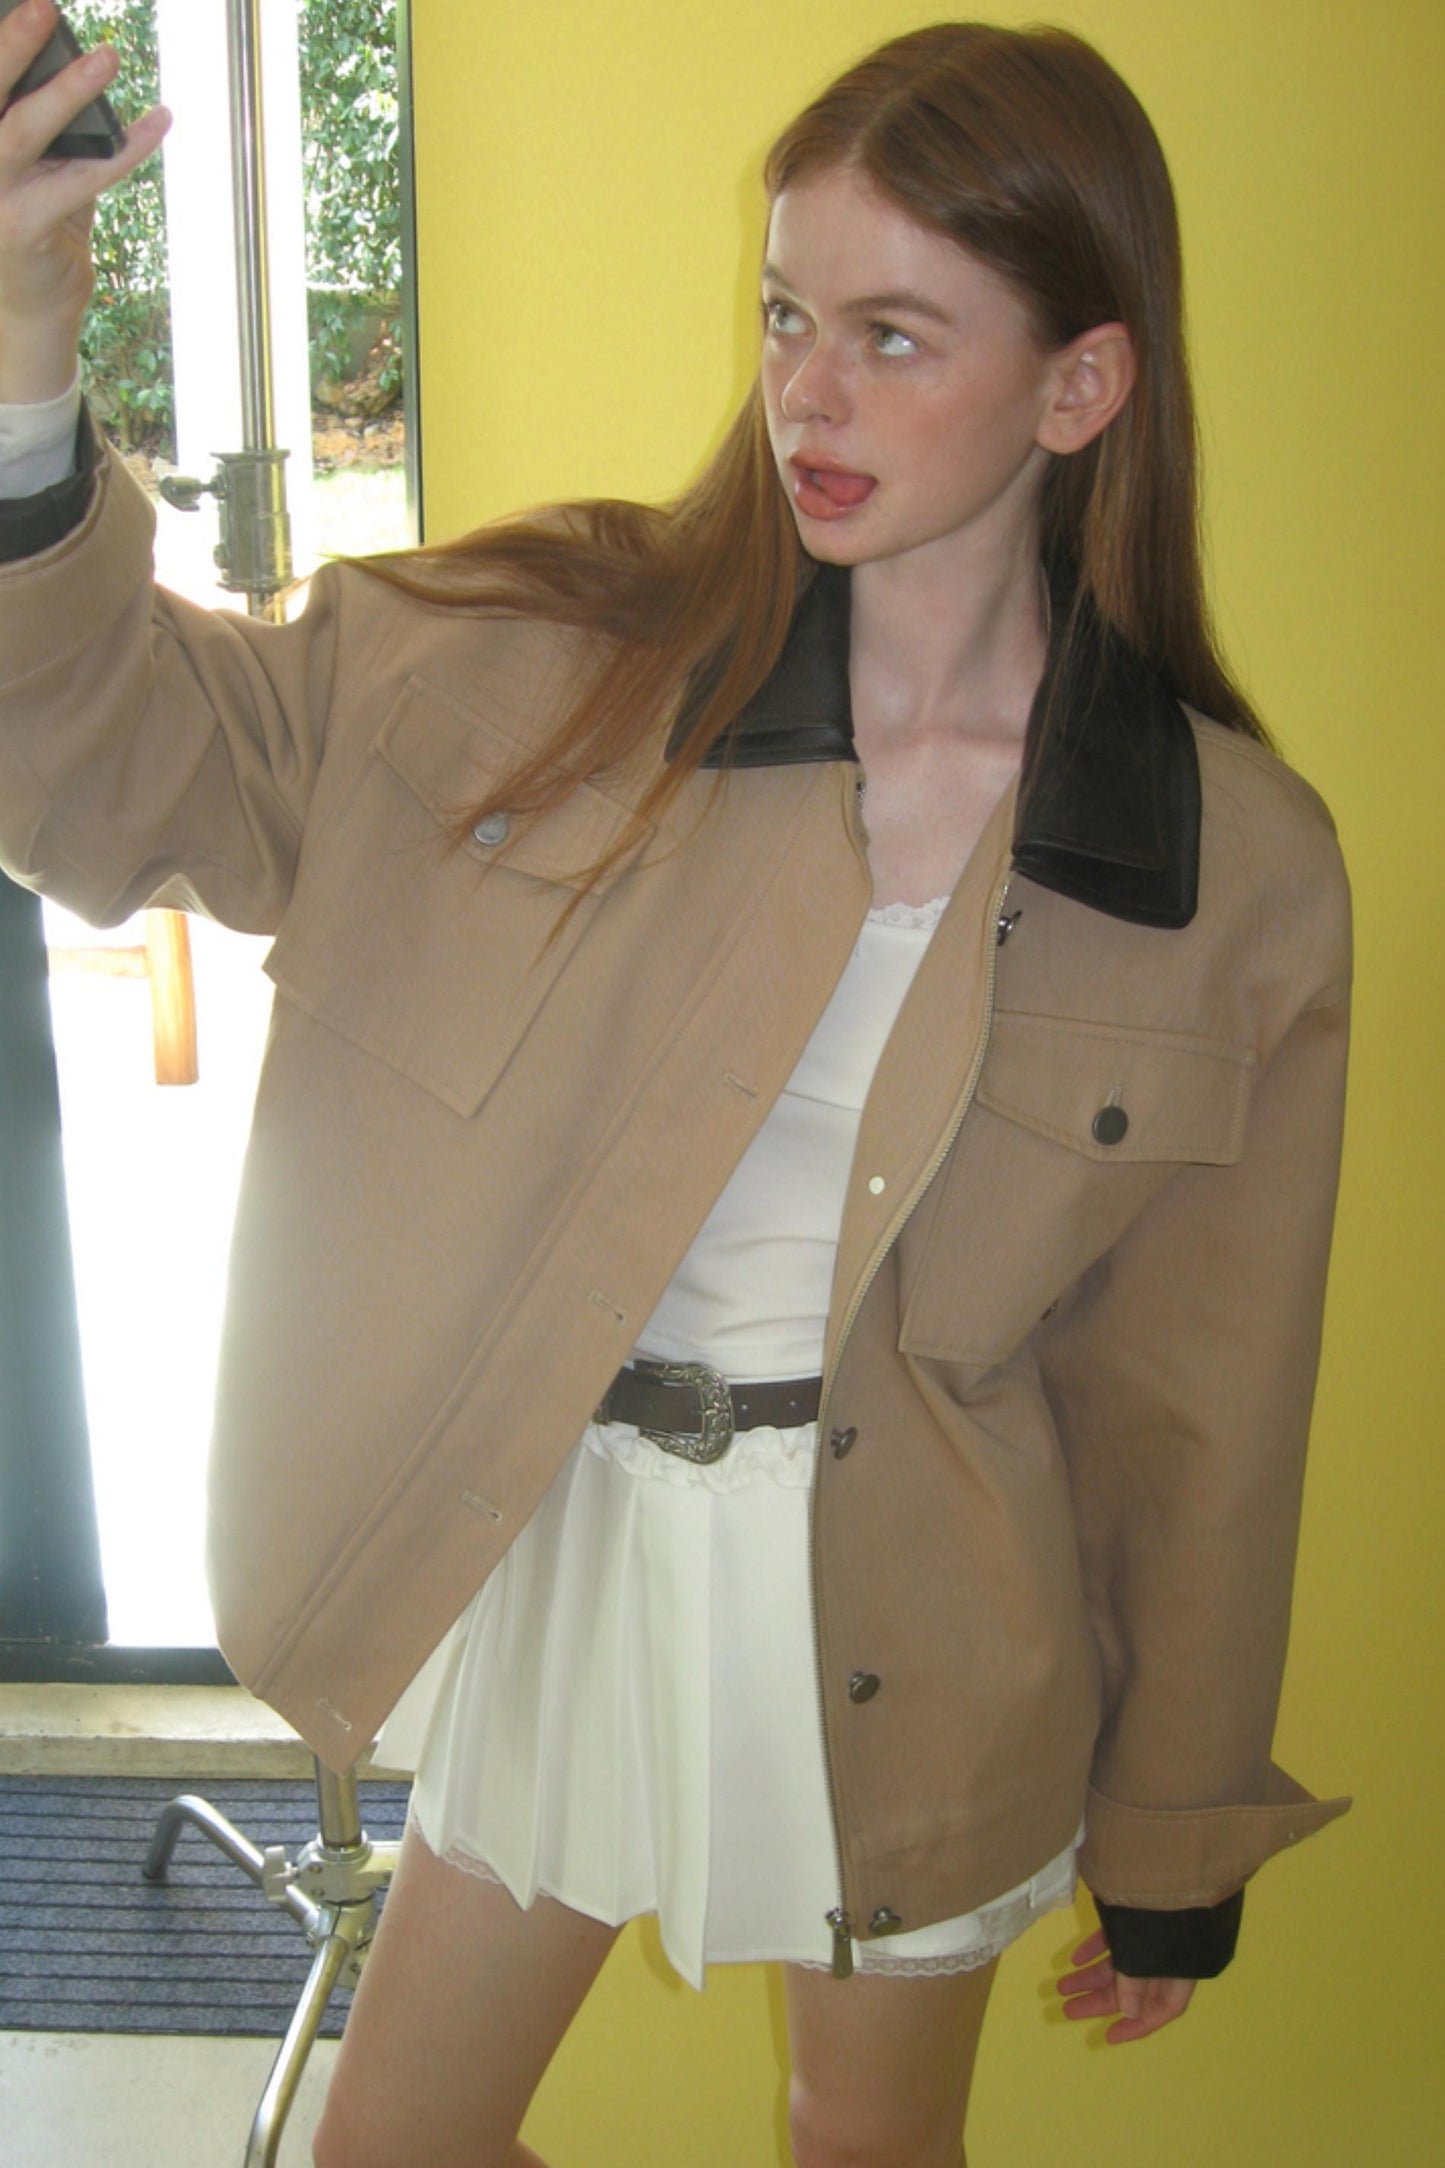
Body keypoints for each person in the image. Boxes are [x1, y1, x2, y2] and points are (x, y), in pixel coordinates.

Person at [0, 8, 1352, 2164]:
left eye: (896, 337)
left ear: (1080, 386)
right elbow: (111, 758)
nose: (808, 392)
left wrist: (1174, 1839)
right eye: (789, 314)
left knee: (860, 2145)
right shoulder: (548, 665)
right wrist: (24, 361)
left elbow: (1202, 1404)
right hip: (582, 1548)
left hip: (928, 1607)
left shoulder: (1222, 864)